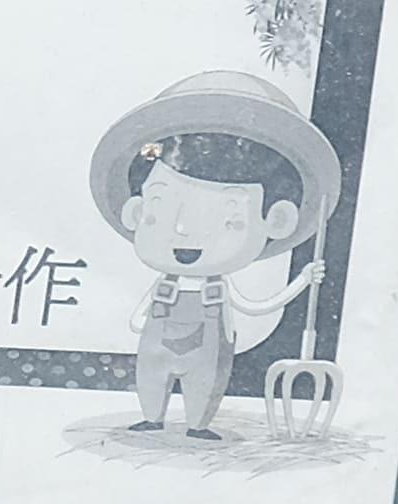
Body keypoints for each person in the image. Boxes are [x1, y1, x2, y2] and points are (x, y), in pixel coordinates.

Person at [83, 71, 338, 439]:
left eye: (229, 219)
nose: (185, 233)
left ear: (277, 221)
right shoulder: (164, 283)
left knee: (205, 380)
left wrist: (303, 281)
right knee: (152, 376)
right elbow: (140, 318)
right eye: (162, 209)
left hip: (207, 351)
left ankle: (198, 424)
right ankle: (152, 416)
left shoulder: (219, 288)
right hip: (158, 346)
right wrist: (139, 321)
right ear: (137, 213)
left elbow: (253, 305)